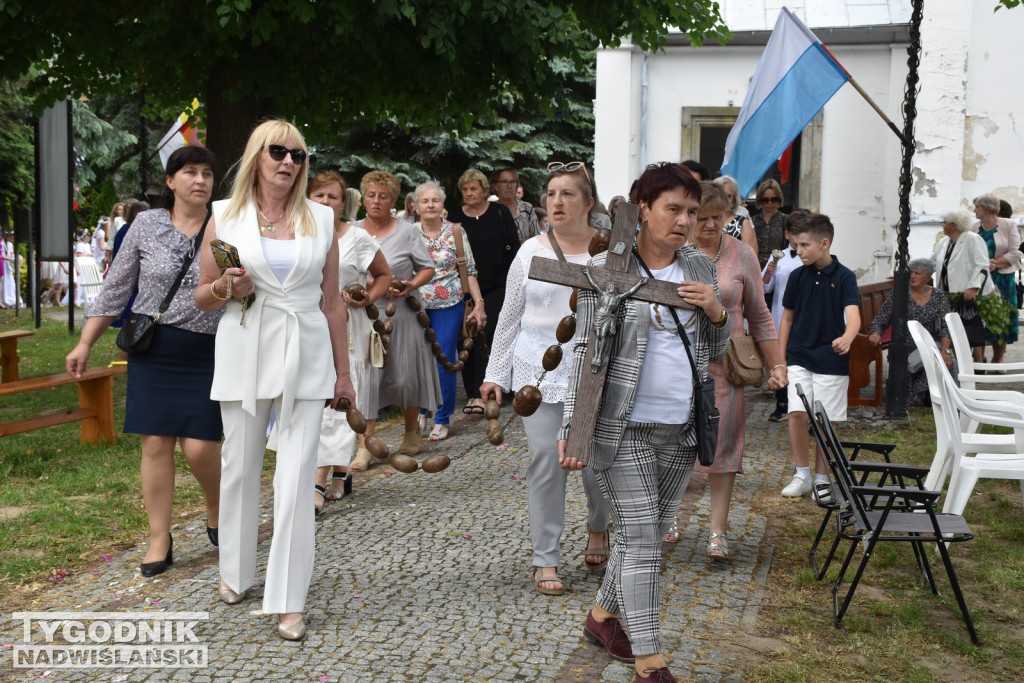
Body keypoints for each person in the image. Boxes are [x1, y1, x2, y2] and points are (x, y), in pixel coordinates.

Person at [558, 162, 730, 683]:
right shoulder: (612, 267)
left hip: (681, 424)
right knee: (641, 536)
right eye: (673, 209)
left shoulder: (699, 268)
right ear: (643, 208)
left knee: (647, 532)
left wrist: (717, 313)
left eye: (692, 212)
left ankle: (603, 617)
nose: (684, 221)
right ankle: (649, 659)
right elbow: (584, 348)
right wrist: (575, 424)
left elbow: (714, 350)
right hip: (624, 424)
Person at [195, 120, 355, 641]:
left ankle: (288, 599)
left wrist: (345, 373)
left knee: (295, 476)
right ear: (257, 157)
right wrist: (224, 284)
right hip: (245, 341)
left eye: (298, 155)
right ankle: (235, 572)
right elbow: (202, 294)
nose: (289, 161)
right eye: (278, 152)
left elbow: (332, 303)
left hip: (306, 347)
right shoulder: (225, 216)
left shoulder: (323, 219)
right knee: (239, 465)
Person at [66, 146, 223, 579]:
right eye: (189, 172)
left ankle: (216, 506)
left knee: (199, 446)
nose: (200, 180)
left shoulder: (226, 224)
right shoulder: (146, 224)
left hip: (209, 349)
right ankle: (160, 537)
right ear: (170, 181)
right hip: (154, 349)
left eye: (207, 173)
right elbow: (117, 288)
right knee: (155, 444)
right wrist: (85, 343)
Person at [481, 160, 611, 597]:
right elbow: (510, 315)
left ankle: (598, 526)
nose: (557, 201)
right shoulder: (530, 251)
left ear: (588, 203)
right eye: (552, 194)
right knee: (544, 463)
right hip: (538, 370)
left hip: (593, 371)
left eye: (568, 194)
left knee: (595, 465)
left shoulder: (607, 254)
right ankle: (546, 557)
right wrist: (495, 374)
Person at [688, 182, 786, 558]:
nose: (710, 224)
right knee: (673, 441)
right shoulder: (675, 253)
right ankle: (668, 518)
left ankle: (717, 530)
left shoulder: (742, 254)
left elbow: (760, 315)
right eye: (702, 217)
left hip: (727, 364)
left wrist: (777, 363)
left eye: (718, 217)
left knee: (724, 445)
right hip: (679, 362)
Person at [307, 171, 391, 502]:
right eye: (320, 196)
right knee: (315, 403)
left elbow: (384, 275)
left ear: (344, 203)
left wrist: (368, 299)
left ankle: (319, 481)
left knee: (339, 403)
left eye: (333, 197)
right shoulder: (298, 235)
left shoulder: (358, 239)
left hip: (349, 331)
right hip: (309, 328)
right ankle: (340, 474)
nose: (326, 202)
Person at [355, 170, 440, 459]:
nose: (376, 201)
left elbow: (427, 267)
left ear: (393, 200)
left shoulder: (407, 231)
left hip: (401, 311)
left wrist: (410, 285)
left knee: (405, 378)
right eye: (371, 195)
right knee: (368, 379)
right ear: (363, 198)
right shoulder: (354, 231)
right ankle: (365, 444)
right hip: (365, 313)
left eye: (384, 196)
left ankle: (411, 430)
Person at [777, 213, 859, 501]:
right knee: (797, 413)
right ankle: (802, 474)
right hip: (799, 355)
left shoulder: (845, 277)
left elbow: (853, 315)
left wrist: (848, 338)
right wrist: (781, 360)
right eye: (796, 246)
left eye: (804, 245)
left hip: (831, 360)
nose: (798, 252)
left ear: (824, 243)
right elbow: (787, 319)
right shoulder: (797, 276)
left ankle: (822, 479)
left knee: (826, 419)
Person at [416, 180, 486, 442]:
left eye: (435, 200)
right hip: (416, 306)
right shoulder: (410, 233)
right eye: (425, 201)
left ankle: (442, 417)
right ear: (416, 206)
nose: (431, 205)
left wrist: (478, 304)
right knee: (420, 359)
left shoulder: (455, 231)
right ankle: (422, 410)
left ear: (442, 205)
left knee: (444, 356)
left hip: (449, 304)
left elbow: (469, 270)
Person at [449, 168, 519, 415]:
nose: (469, 193)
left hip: (499, 284)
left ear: (485, 190)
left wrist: (514, 283)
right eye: (465, 189)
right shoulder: (456, 218)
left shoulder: (500, 213)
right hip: (466, 287)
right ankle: (472, 393)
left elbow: (514, 250)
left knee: (487, 330)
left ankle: (490, 385)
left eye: (474, 189)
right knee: (467, 333)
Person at [868, 258, 953, 405]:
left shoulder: (938, 296)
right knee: (922, 363)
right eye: (910, 272)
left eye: (917, 273)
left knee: (940, 361)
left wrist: (945, 350)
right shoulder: (899, 294)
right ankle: (918, 398)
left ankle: (923, 397)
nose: (912, 276)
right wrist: (876, 333)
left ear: (928, 277)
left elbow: (945, 325)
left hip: (930, 345)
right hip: (905, 346)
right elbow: (881, 319)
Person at [762, 210, 808, 421]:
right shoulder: (777, 255)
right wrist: (770, 270)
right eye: (796, 232)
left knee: (802, 360)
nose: (800, 237)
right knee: (780, 359)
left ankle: (802, 405)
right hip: (781, 315)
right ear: (788, 233)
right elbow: (765, 286)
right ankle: (782, 404)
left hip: (805, 316)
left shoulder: (810, 255)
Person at [933, 210, 996, 361]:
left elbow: (981, 265)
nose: (942, 226)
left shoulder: (972, 239)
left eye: (944, 223)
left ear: (953, 225)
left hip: (969, 293)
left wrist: (973, 287)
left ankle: (979, 365)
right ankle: (958, 364)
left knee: (973, 328)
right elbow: (931, 261)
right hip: (949, 294)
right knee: (953, 329)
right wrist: (909, 271)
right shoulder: (944, 242)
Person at [971, 193, 1022, 363]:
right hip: (980, 279)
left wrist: (994, 263)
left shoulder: (1008, 225)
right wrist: (985, 266)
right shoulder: (974, 227)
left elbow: (1016, 252)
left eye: (977, 207)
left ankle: (998, 359)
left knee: (1002, 319)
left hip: (1003, 279)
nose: (974, 210)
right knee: (981, 317)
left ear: (987, 208)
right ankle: (980, 359)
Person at [713, 175, 758, 254]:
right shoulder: (703, 220)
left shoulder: (744, 223)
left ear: (734, 200)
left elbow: (752, 257)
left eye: (728, 196)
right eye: (721, 195)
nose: (724, 200)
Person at [493, 167, 539, 243]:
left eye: (513, 182)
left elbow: (537, 238)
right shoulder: (491, 210)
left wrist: (526, 245)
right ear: (495, 186)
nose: (509, 186)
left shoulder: (527, 208)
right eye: (504, 182)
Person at [751, 179, 788, 270]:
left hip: (779, 268)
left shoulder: (786, 220)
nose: (769, 203)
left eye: (774, 199)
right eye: (765, 200)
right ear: (759, 200)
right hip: (756, 270)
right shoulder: (751, 221)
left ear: (779, 200)